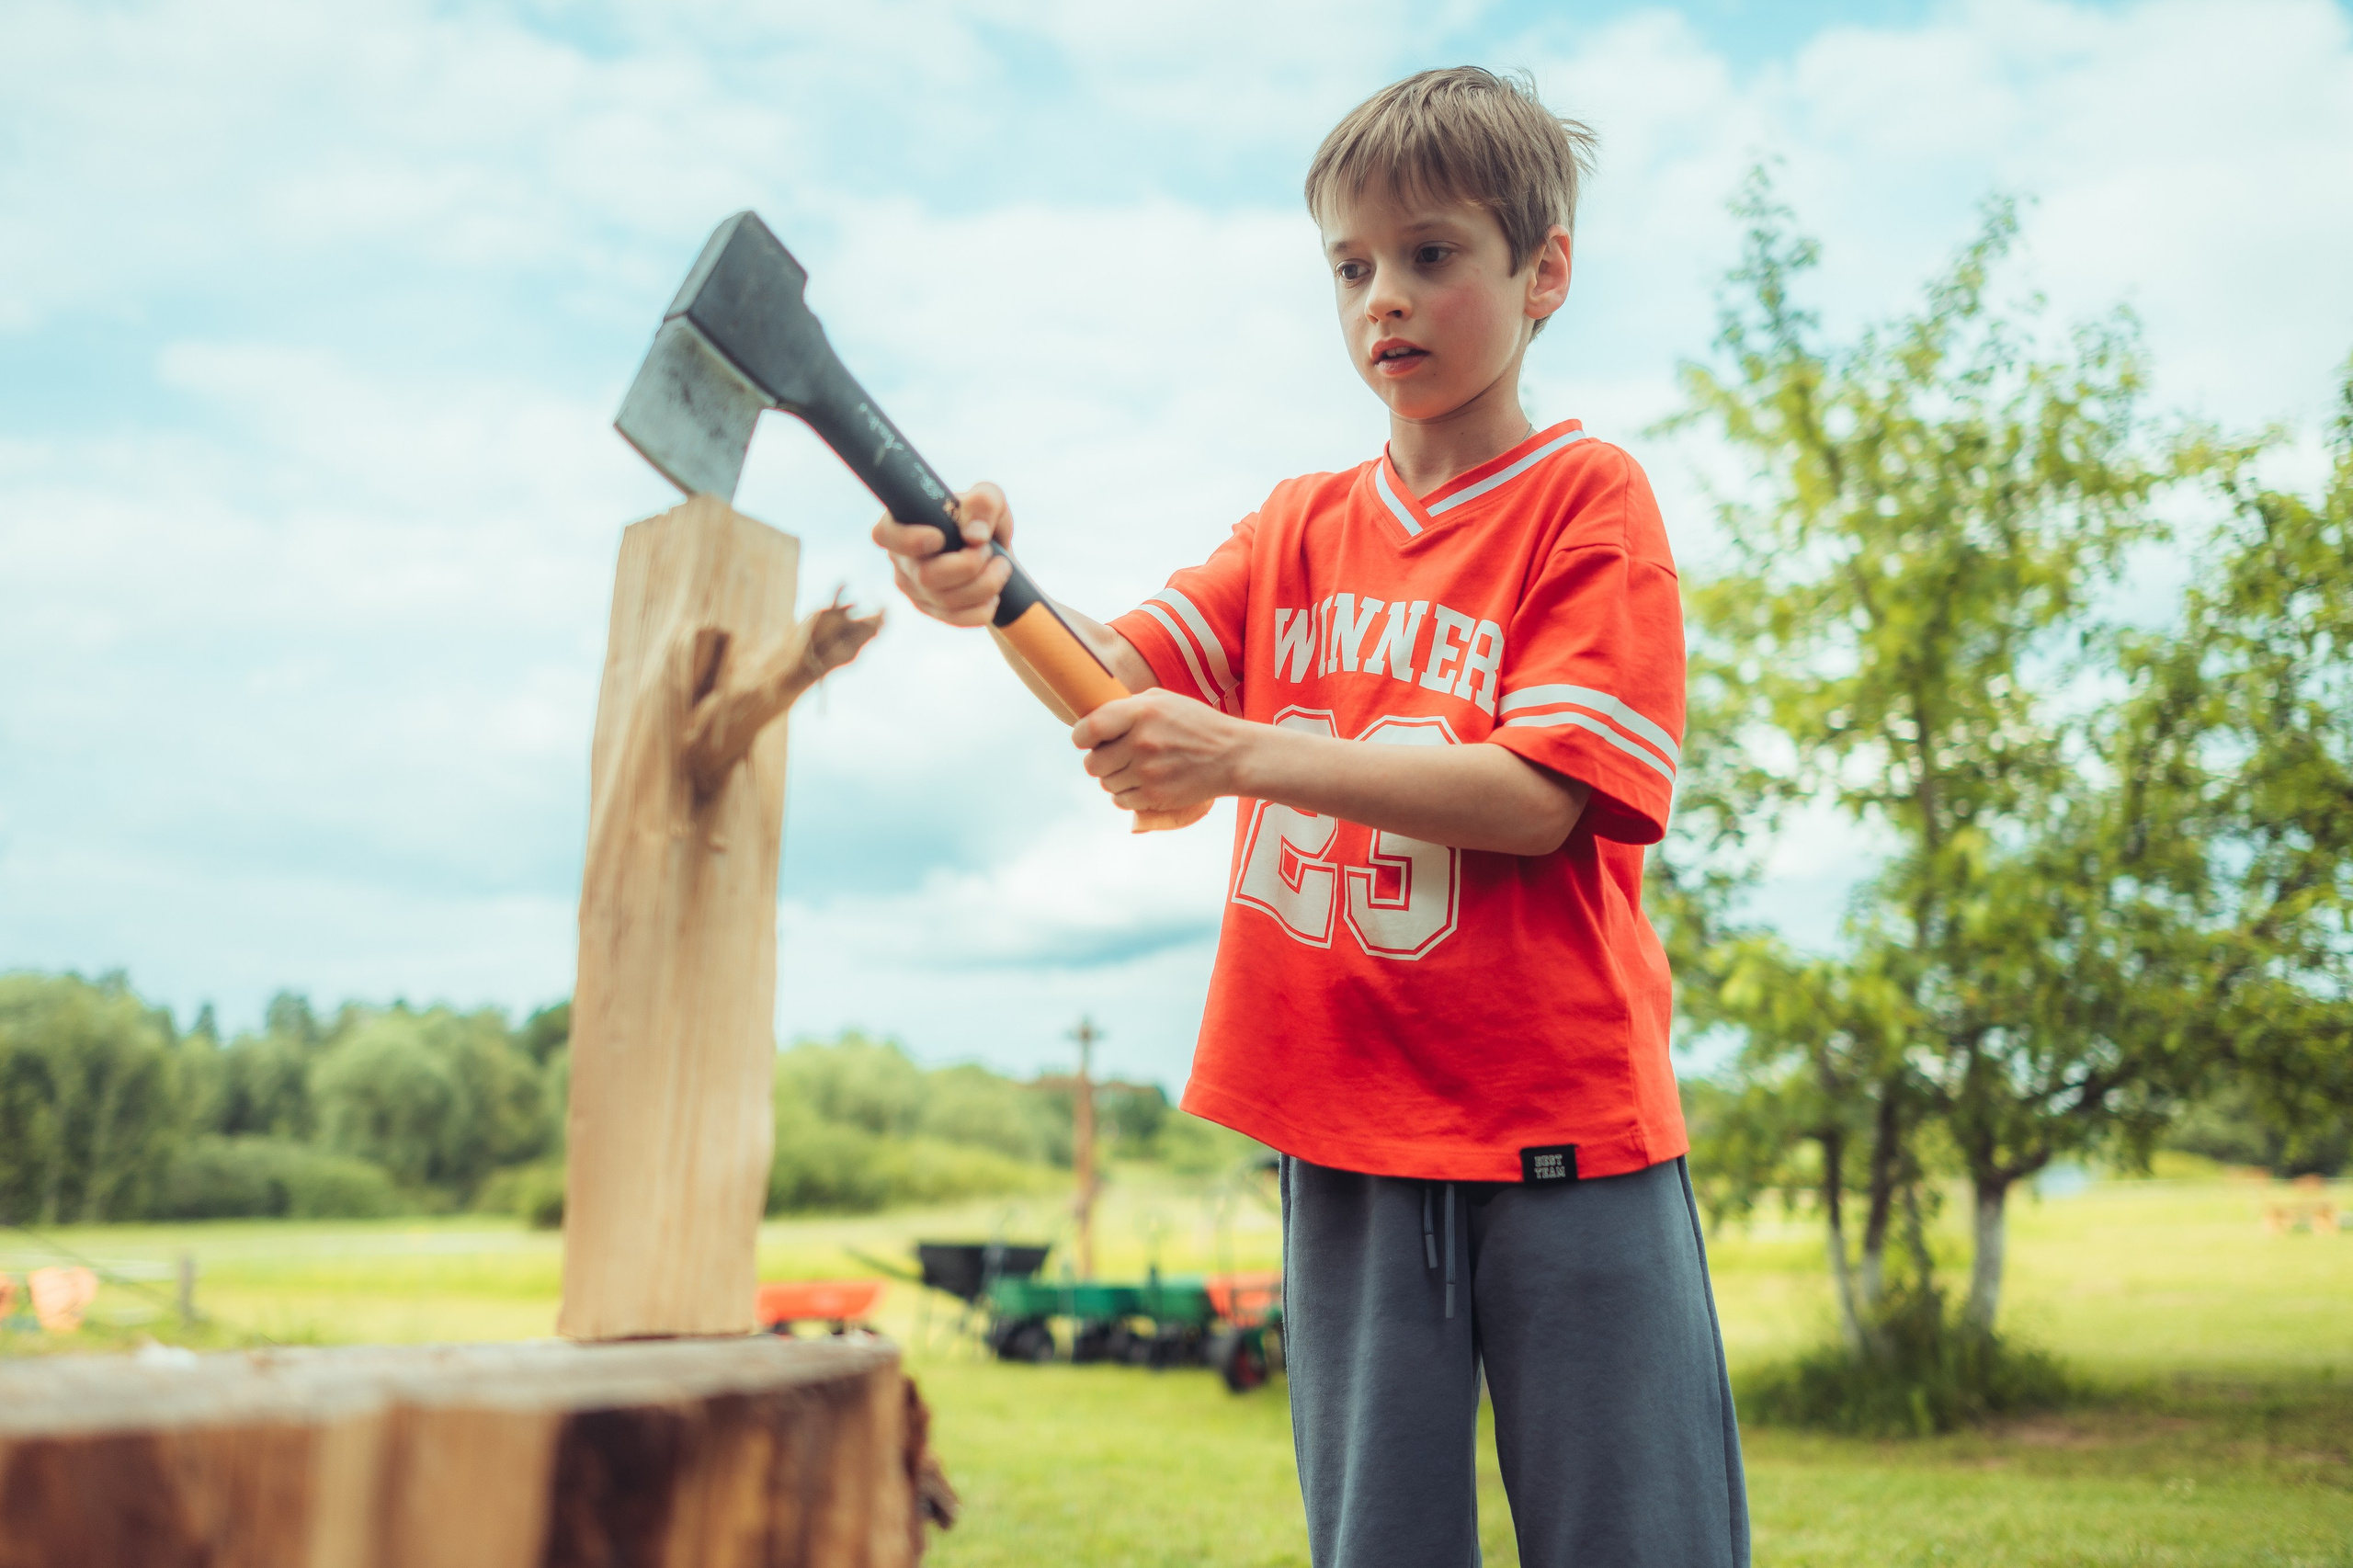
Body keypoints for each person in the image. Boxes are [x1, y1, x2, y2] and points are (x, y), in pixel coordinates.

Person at [873, 64, 1749, 1568]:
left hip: (1564, 1131)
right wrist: (994, 591)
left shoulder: (1588, 500)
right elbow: (1117, 677)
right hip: (1341, 1129)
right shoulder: (1296, 527)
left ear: (1544, 272)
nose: (1382, 300)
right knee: (1377, 1542)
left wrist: (1245, 754)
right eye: (1350, 267)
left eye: (1430, 254)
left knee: (1638, 1537)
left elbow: (1541, 798)